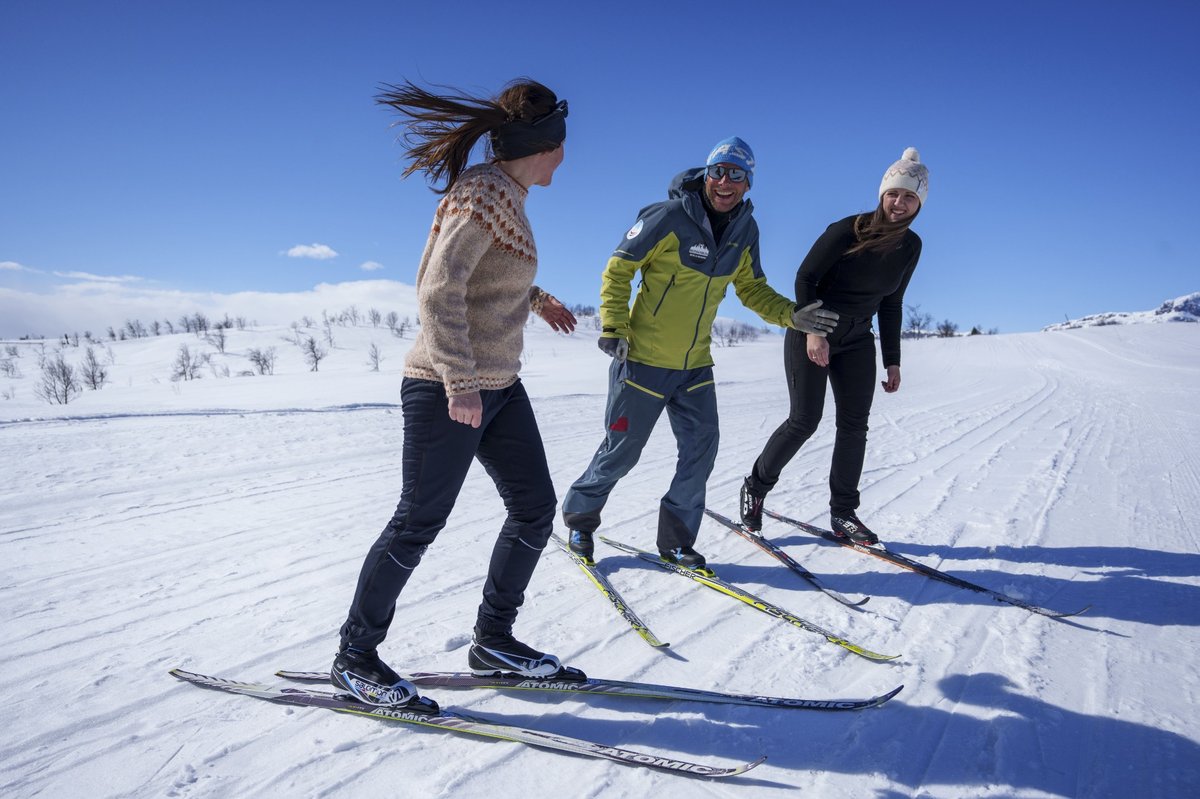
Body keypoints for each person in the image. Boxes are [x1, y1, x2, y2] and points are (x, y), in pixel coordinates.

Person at [332, 78, 583, 711]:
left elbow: (482, 282)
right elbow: (438, 290)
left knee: (533, 510)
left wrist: (534, 296)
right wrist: (460, 381)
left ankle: (493, 641)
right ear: (545, 145)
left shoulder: (508, 195)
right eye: (562, 146)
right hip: (448, 386)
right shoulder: (484, 194)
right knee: (418, 521)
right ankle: (354, 656)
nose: (565, 157)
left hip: (498, 386)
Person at [561, 137, 838, 573]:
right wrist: (613, 327)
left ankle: (675, 542)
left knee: (701, 451)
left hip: (695, 367)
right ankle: (580, 519)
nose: (724, 182)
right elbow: (619, 267)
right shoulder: (667, 216)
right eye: (717, 172)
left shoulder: (746, 230)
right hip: (643, 361)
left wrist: (791, 316)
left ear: (749, 183)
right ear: (706, 175)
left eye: (736, 174)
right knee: (622, 450)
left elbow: (751, 288)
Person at [739, 148, 929, 546]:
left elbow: (891, 303)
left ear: (919, 204)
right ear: (883, 194)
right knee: (804, 420)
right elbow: (806, 277)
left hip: (859, 339)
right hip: (815, 326)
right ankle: (755, 487)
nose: (900, 203)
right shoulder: (848, 229)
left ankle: (843, 513)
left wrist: (892, 360)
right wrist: (813, 332)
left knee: (854, 426)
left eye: (909, 197)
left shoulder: (911, 246)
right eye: (894, 193)